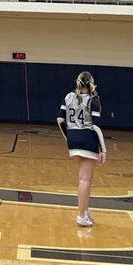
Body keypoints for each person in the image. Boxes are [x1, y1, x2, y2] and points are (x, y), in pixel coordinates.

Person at [57, 70, 106, 227]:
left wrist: (68, 137)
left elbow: (59, 119)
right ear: (92, 83)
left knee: (86, 178)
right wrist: (103, 149)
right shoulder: (94, 100)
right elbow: (97, 128)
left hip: (73, 139)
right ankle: (81, 215)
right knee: (85, 179)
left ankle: (84, 210)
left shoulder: (68, 96)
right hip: (88, 140)